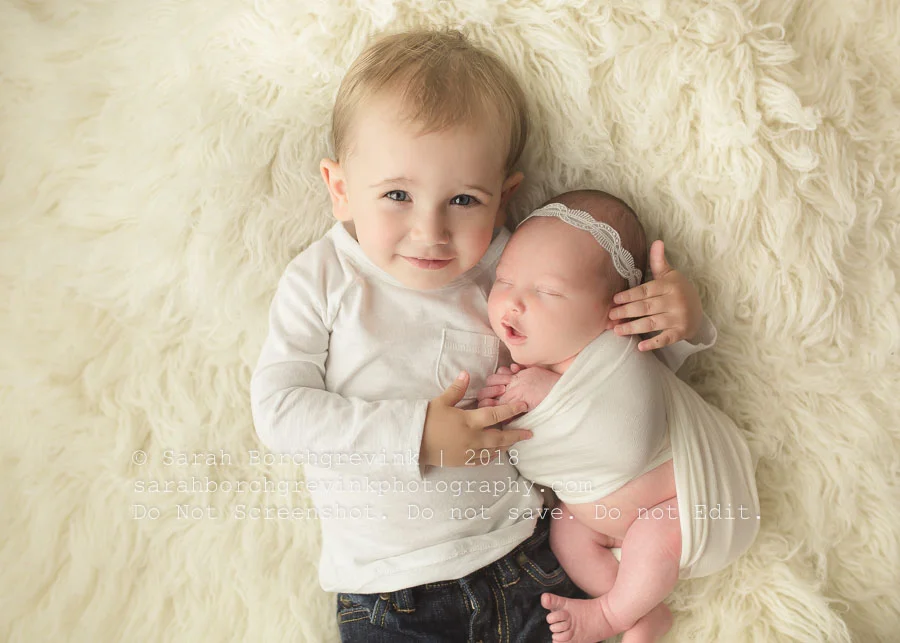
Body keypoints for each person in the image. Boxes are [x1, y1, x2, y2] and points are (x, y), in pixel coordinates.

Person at [250, 28, 715, 641]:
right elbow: (279, 412)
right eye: (397, 194)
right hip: (389, 591)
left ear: (503, 199)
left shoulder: (514, 272)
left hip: (522, 556)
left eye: (464, 200)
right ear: (340, 190)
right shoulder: (323, 279)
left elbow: (608, 369)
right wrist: (416, 435)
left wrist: (677, 325)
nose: (431, 231)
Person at [477, 190, 760, 642]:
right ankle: (640, 609)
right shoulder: (518, 373)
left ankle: (610, 614)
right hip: (601, 520)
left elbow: (629, 435)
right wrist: (503, 414)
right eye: (505, 280)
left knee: (652, 535)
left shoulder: (623, 351)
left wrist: (551, 394)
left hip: (686, 505)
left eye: (548, 291)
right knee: (565, 534)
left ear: (616, 309)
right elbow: (531, 463)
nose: (513, 302)